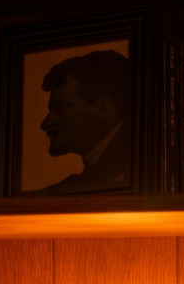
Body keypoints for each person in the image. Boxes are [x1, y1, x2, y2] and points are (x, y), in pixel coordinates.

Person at [37, 50, 131, 195]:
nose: (45, 123)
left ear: (102, 107)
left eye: (61, 108)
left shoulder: (121, 173)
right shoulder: (114, 170)